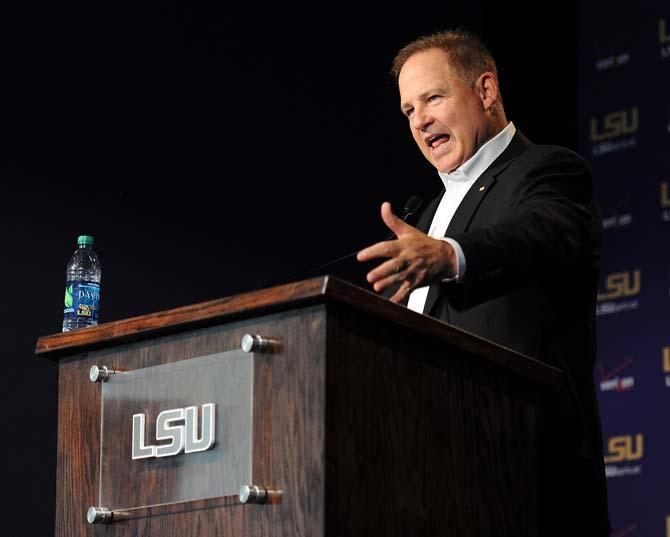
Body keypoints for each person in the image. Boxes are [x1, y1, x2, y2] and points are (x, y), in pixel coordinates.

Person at [357, 30, 611, 536]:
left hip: (524, 478)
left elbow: (536, 235)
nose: (420, 119)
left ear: (486, 91)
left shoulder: (546, 171)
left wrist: (451, 255)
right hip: (422, 484)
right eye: (408, 110)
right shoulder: (422, 214)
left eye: (433, 97)